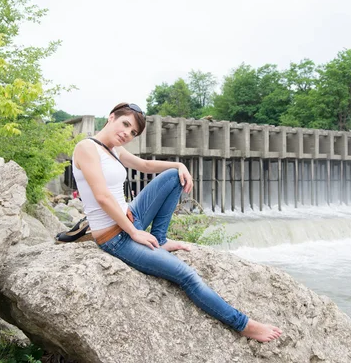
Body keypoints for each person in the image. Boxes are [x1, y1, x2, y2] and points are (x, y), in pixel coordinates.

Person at [72, 102, 282, 342]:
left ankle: (160, 239)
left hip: (131, 218)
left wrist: (179, 165)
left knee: (174, 177)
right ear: (111, 117)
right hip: (115, 237)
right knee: (187, 275)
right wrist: (134, 233)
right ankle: (243, 324)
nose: (127, 134)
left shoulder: (113, 149)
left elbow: (145, 166)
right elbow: (102, 196)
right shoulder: (87, 148)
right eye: (125, 124)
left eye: (133, 133)